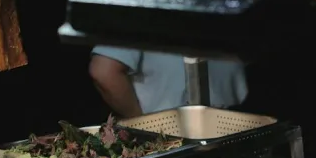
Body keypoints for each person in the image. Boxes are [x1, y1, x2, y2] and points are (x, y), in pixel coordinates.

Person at [89, 47, 249, 116]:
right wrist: (141, 123)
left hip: (236, 122)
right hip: (171, 134)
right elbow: (103, 71)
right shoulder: (145, 3)